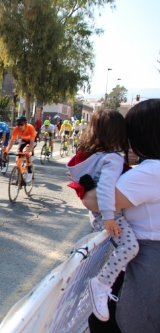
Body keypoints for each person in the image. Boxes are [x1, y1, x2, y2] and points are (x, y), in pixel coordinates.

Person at [82, 99, 160, 332]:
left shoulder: (149, 172)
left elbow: (92, 201)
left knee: (126, 321)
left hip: (146, 260)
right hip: (145, 258)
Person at [67, 110, 138, 323]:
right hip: (110, 214)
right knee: (130, 247)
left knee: (111, 245)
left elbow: (79, 177)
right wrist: (109, 216)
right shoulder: (114, 158)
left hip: (97, 213)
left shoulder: (94, 156)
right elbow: (107, 188)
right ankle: (102, 283)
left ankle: (82, 250)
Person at [4, 115, 36, 182]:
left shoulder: (30, 128)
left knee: (26, 152)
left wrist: (27, 152)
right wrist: (7, 150)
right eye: (18, 124)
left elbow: (32, 144)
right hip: (23, 140)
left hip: (31, 141)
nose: (20, 126)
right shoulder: (16, 129)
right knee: (18, 153)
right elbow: (12, 141)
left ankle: (30, 172)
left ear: (25, 124)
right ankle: (18, 170)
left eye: (21, 124)